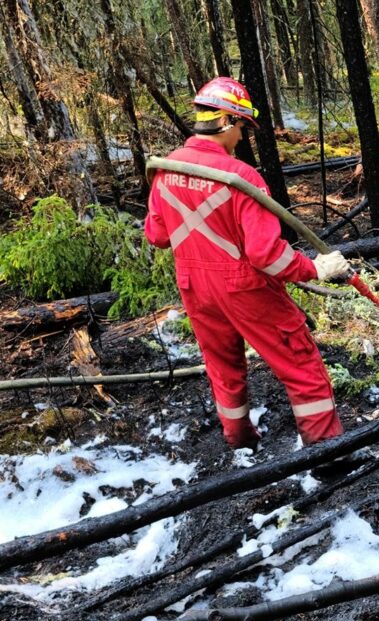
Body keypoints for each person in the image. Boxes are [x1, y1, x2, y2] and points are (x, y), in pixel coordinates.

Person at [145, 77, 351, 449]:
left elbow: (158, 236)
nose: (241, 137)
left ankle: (240, 442)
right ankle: (328, 453)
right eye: (241, 126)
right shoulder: (241, 178)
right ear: (225, 121)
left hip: (195, 288)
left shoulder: (164, 169)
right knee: (300, 363)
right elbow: (265, 254)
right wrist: (315, 269)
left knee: (223, 367)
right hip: (245, 287)